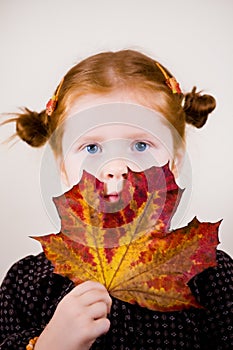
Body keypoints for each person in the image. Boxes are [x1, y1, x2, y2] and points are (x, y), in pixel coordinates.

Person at [0, 49, 232, 350]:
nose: (117, 168)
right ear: (60, 165)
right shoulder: (27, 284)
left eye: (140, 144)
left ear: (174, 162)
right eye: (92, 148)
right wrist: (46, 345)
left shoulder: (209, 274)